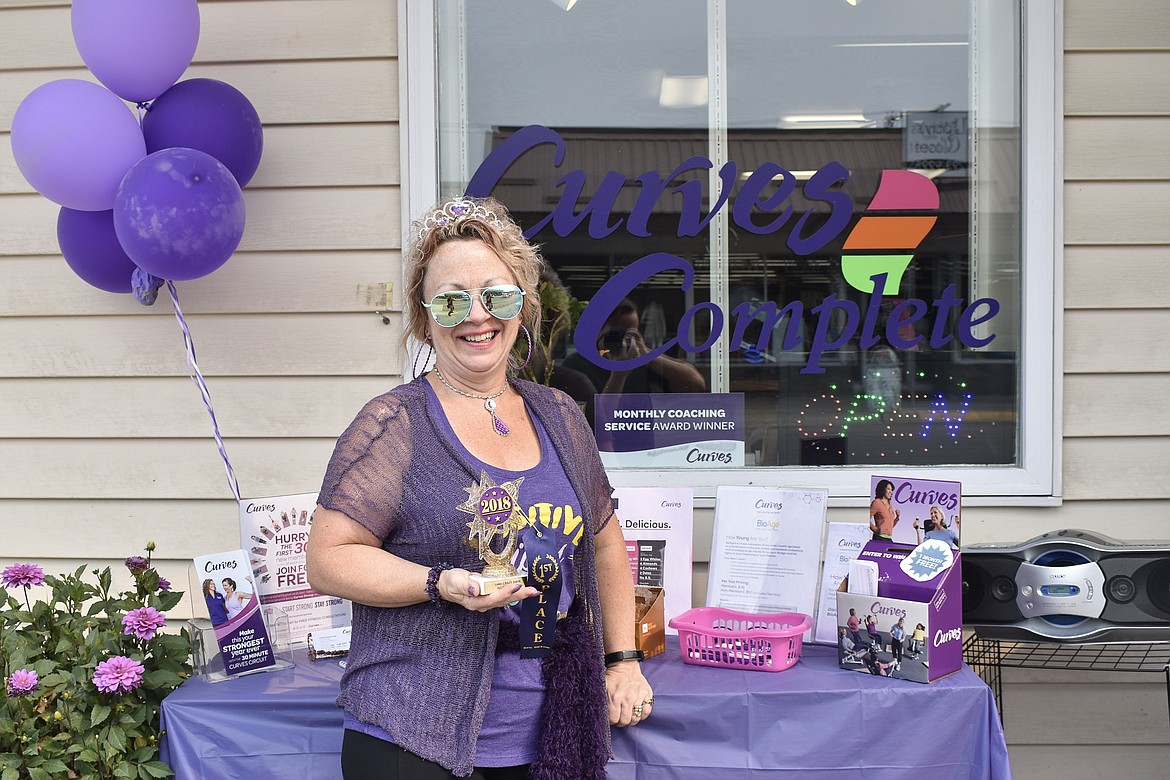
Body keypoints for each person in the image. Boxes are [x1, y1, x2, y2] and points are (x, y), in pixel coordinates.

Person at [306, 195, 653, 780]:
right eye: (450, 300)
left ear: (523, 304)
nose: (476, 315)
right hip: (412, 731)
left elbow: (603, 542)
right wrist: (439, 584)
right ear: (423, 316)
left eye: (496, 295)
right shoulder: (395, 423)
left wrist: (621, 660)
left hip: (550, 729)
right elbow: (328, 558)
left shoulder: (560, 414)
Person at [563, 297, 706, 399]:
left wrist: (647, 356)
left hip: (641, 439)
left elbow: (695, 384)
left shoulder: (641, 359)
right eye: (617, 332)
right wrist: (619, 374)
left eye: (630, 332)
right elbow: (600, 419)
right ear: (598, 330)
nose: (623, 339)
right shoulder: (578, 365)